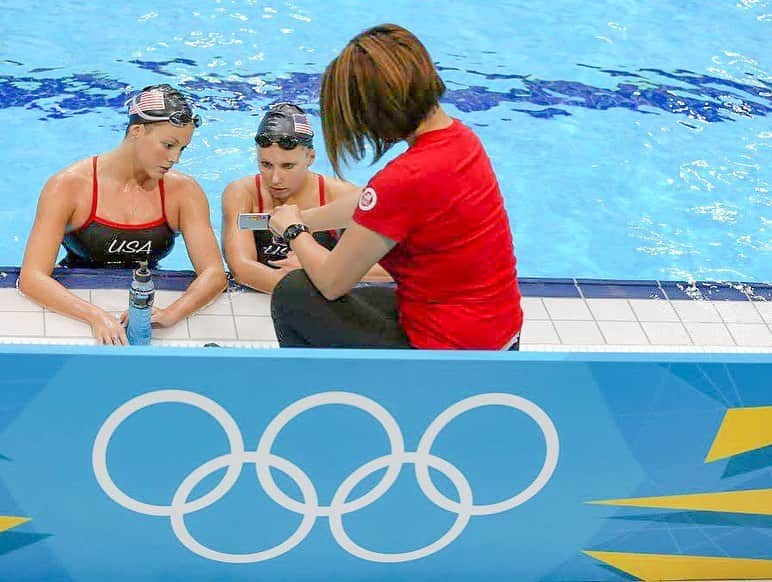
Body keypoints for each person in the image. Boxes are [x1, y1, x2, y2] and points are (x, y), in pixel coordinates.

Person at [269, 23, 523, 350]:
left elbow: (332, 281)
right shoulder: (460, 140)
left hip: (453, 359)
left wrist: (294, 233)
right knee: (366, 298)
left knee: (296, 294)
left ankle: (321, 394)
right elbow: (375, 205)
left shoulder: (406, 178)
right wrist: (305, 218)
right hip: (498, 335)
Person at [19, 84, 227, 345]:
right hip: (75, 290)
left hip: (143, 295)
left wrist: (170, 314)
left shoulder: (184, 192)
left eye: (182, 149)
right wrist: (95, 316)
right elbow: (32, 277)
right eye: (168, 145)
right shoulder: (69, 186)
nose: (175, 159)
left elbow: (214, 274)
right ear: (137, 131)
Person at [221, 102, 390, 293]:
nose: (275, 179)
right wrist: (305, 287)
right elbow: (241, 267)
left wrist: (321, 267)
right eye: (266, 164)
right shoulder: (243, 193)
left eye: (288, 166)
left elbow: (390, 269)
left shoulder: (340, 196)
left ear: (310, 157)